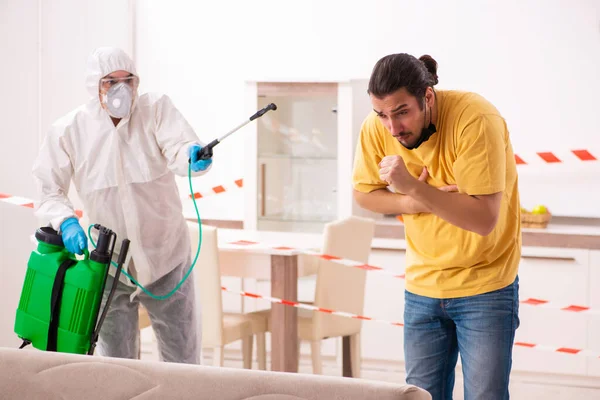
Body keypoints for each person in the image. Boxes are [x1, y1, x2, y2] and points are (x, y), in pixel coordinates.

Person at [352, 53, 521, 399]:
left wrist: (413, 186)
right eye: (382, 115)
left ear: (427, 97)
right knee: (419, 396)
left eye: (402, 112)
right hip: (422, 287)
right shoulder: (378, 127)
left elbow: (484, 218)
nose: (393, 128)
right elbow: (364, 194)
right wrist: (411, 202)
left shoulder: (475, 119)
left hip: (485, 285)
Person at [32, 47, 213, 364]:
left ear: (136, 82)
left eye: (127, 80)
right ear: (95, 87)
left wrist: (193, 156)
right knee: (116, 366)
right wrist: (66, 221)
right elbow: (48, 188)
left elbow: (180, 148)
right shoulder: (70, 131)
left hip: (167, 258)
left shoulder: (155, 109)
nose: (120, 89)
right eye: (109, 82)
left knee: (183, 363)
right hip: (110, 266)